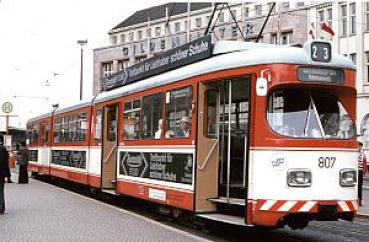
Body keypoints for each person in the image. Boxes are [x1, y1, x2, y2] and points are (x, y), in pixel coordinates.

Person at [0, 141, 9, 214]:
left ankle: (1, 208)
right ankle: (1, 207)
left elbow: (2, 161)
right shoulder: (3, 148)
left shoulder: (1, 149)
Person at [358, 142, 367, 206]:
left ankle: (360, 200)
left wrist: (364, 172)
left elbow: (364, 163)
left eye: (360, 146)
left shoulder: (363, 154)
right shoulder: (355, 153)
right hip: (355, 172)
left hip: (360, 171)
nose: (359, 147)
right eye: (359, 146)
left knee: (360, 187)